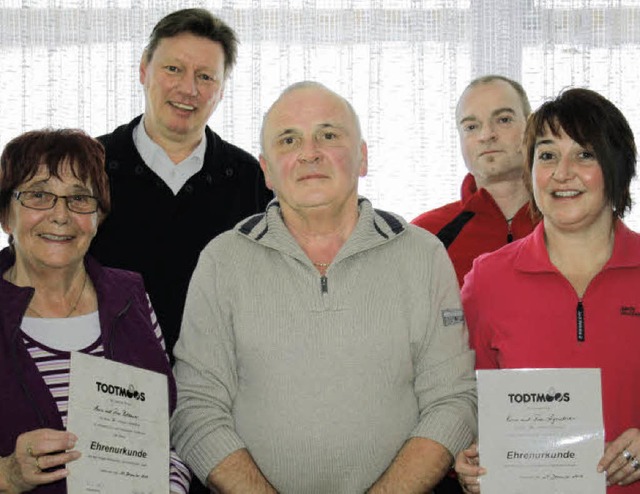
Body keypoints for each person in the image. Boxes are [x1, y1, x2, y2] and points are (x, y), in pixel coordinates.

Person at [170, 81, 477, 493]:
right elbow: (196, 409)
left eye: (328, 135)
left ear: (363, 156)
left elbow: (453, 400)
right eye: (288, 139)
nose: (309, 152)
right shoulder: (222, 261)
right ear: (266, 169)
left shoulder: (422, 255)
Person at [455, 88, 640, 493]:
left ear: (617, 167)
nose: (562, 173)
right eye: (547, 155)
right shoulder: (488, 280)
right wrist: (468, 458)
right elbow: (462, 399)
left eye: (585, 155)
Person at [0, 129, 190, 493]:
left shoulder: (132, 297)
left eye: (79, 198)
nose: (61, 215)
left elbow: (168, 435)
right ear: (7, 215)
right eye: (39, 195)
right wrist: (7, 475)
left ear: (98, 218)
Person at [89, 8, 272, 361]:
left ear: (221, 90)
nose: (188, 89)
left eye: (205, 77)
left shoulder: (251, 179)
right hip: (108, 385)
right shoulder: (89, 166)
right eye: (173, 69)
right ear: (144, 69)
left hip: (220, 384)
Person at [412, 75, 537, 286]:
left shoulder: (570, 223)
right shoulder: (424, 236)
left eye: (503, 120)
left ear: (530, 128)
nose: (486, 135)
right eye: (471, 126)